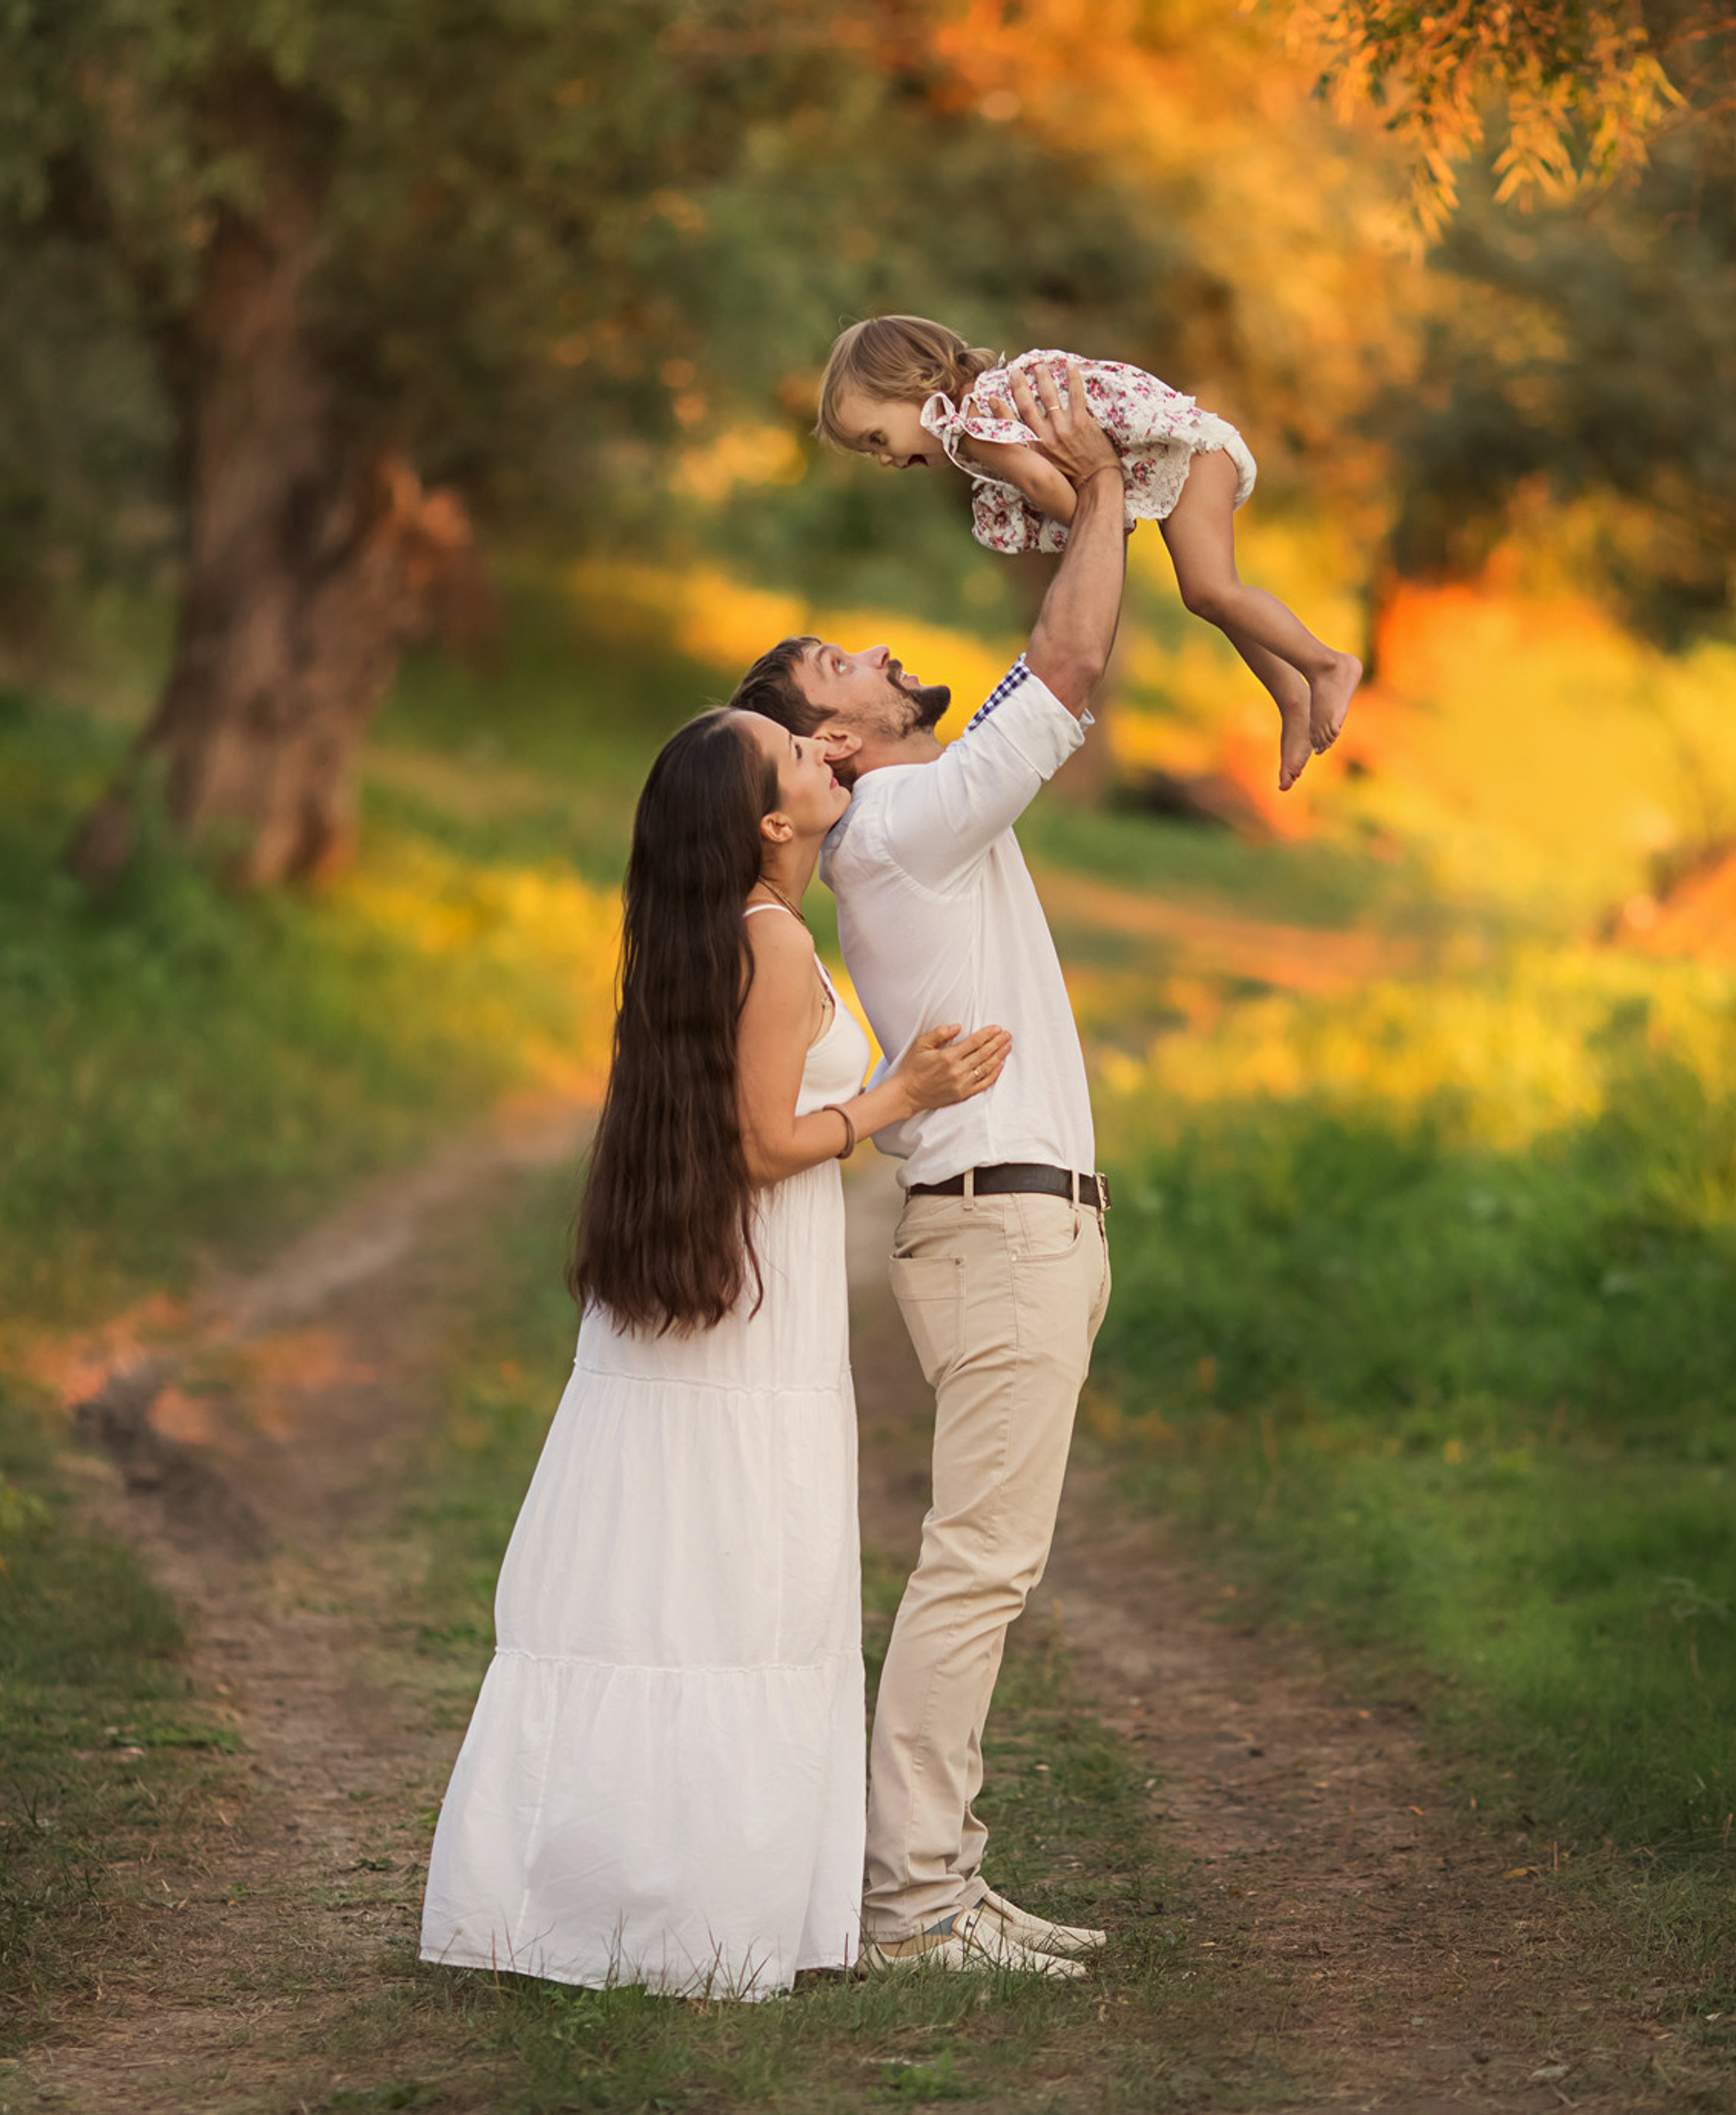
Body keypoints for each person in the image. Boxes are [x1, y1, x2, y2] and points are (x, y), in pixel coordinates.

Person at [418, 708, 1011, 1999]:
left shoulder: (722, 934)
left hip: (725, 1292)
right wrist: (898, 1099)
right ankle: (701, 1912)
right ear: (770, 824)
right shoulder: (774, 939)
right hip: (756, 1304)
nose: (822, 756)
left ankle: (619, 1893)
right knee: (735, 1576)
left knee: (668, 1576)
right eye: (797, 758)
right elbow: (757, 1142)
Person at [729, 359, 1129, 1980]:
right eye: (853, 662)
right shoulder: (894, 828)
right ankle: (909, 1899)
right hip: (997, 1231)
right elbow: (1074, 657)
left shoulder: (909, 825)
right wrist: (1103, 493)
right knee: (977, 1564)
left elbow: (1057, 642)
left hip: (998, 1227)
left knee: (979, 1558)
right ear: (836, 735)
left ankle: (941, 1873)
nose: (891, 655)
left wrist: (1057, 495)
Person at [815, 312, 1363, 791]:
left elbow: (1040, 482)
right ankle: (1291, 697)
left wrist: (1093, 527)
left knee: (1213, 590)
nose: (883, 459)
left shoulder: (969, 428)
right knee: (1207, 596)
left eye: (877, 439)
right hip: (1182, 448)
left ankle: (1328, 665)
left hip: (1188, 452)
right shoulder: (988, 401)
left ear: (913, 387)